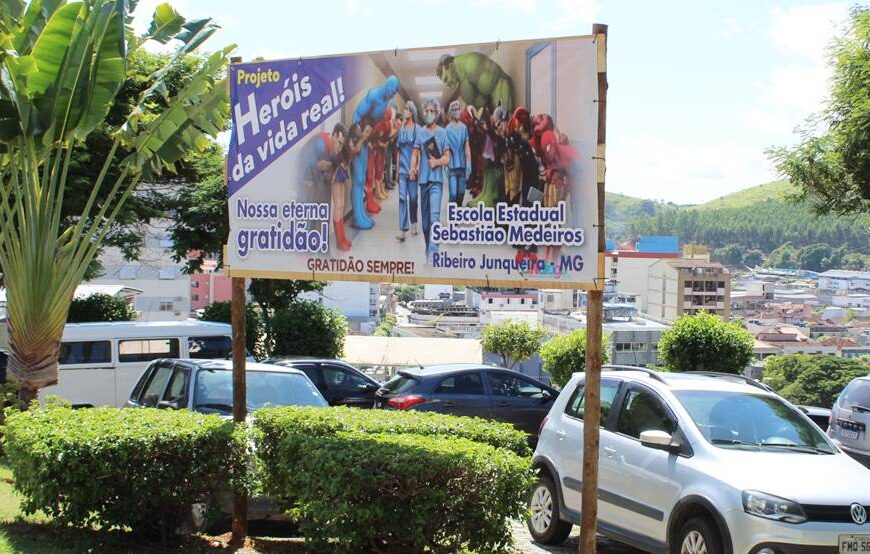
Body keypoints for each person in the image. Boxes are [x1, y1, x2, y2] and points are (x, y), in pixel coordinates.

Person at [350, 76, 400, 229]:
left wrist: (368, 140)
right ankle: (357, 217)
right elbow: (356, 116)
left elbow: (373, 122)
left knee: (364, 176)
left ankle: (361, 213)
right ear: (387, 85)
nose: (392, 95)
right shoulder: (373, 96)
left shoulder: (386, 100)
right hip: (359, 139)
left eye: (394, 93)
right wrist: (358, 139)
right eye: (392, 91)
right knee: (358, 179)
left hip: (366, 141)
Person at [411, 98, 451, 261]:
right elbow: (415, 153)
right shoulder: (420, 132)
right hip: (423, 182)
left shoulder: (442, 133)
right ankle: (429, 246)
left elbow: (447, 158)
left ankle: (434, 250)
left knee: (435, 216)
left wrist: (437, 161)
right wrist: (413, 167)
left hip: (436, 182)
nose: (428, 114)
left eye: (431, 111)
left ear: (437, 112)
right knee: (426, 223)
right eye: (426, 111)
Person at [332, 123, 363, 250]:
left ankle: (342, 237)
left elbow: (352, 153)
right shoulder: (336, 143)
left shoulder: (347, 142)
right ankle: (339, 240)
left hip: (341, 172)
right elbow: (334, 157)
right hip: (335, 173)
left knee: (341, 205)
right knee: (338, 205)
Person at [300, 123, 346, 204]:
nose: (340, 148)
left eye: (342, 146)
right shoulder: (320, 145)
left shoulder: (330, 148)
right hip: (303, 178)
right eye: (339, 143)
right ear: (334, 136)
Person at [396, 102, 420, 242]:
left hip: (412, 170)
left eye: (406, 109)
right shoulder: (401, 130)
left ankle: (414, 221)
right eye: (404, 108)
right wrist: (398, 169)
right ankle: (402, 229)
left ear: (412, 112)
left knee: (413, 198)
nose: (404, 111)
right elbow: (398, 151)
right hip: (403, 171)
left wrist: (416, 167)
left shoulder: (417, 129)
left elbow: (419, 152)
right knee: (401, 198)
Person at [445, 100, 471, 206]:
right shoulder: (447, 129)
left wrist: (469, 162)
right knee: (453, 194)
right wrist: (446, 164)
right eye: (454, 109)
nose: (457, 111)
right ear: (451, 112)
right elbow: (446, 148)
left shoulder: (464, 128)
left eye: (458, 109)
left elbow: (466, 145)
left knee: (461, 193)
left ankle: (458, 212)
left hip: (462, 165)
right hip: (451, 166)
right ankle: (452, 216)